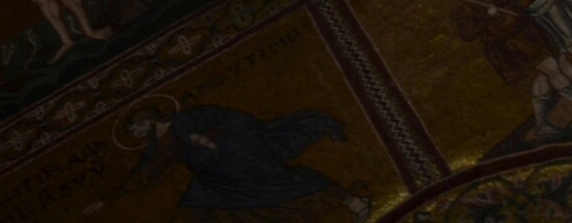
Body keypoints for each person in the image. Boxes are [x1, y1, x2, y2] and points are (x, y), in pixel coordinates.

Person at [90, 101, 367, 219]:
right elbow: (147, 171)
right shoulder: (158, 146)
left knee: (284, 184)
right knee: (192, 212)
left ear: (147, 120)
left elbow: (229, 118)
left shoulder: (188, 117)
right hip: (213, 181)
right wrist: (109, 197)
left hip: (241, 161)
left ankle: (353, 202)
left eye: (136, 128)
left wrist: (220, 139)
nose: (136, 134)